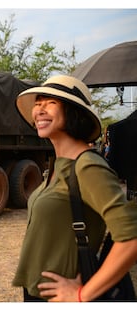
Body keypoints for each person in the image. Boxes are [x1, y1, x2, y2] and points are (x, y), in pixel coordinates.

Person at [12, 75, 137, 302]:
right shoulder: (58, 166)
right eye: (38, 103)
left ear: (72, 111)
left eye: (51, 103)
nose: (39, 109)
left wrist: (81, 295)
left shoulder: (87, 165)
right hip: (39, 293)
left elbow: (130, 238)